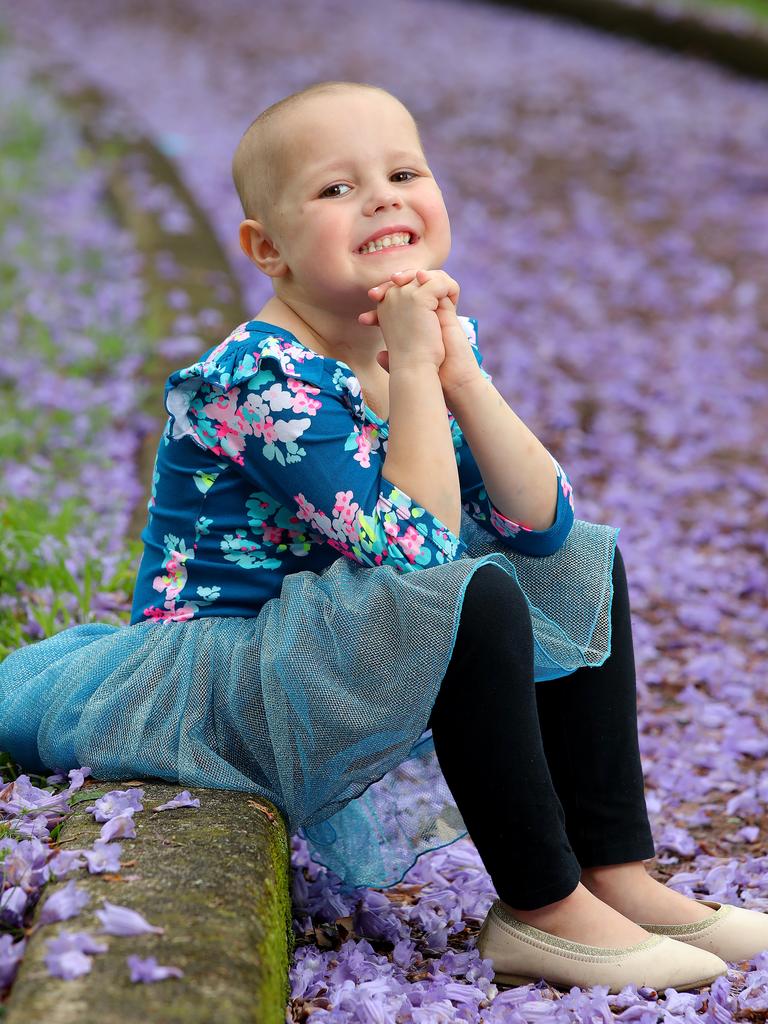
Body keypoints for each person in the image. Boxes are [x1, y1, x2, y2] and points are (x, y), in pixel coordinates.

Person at [1, 80, 764, 994]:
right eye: (336, 188)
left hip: (336, 650)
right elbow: (420, 556)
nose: (383, 197)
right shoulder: (256, 378)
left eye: (404, 171)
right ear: (266, 251)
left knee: (578, 561)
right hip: (232, 677)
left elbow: (543, 519)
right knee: (467, 588)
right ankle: (542, 908)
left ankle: (618, 877)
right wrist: (414, 374)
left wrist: (462, 379)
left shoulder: (422, 341)